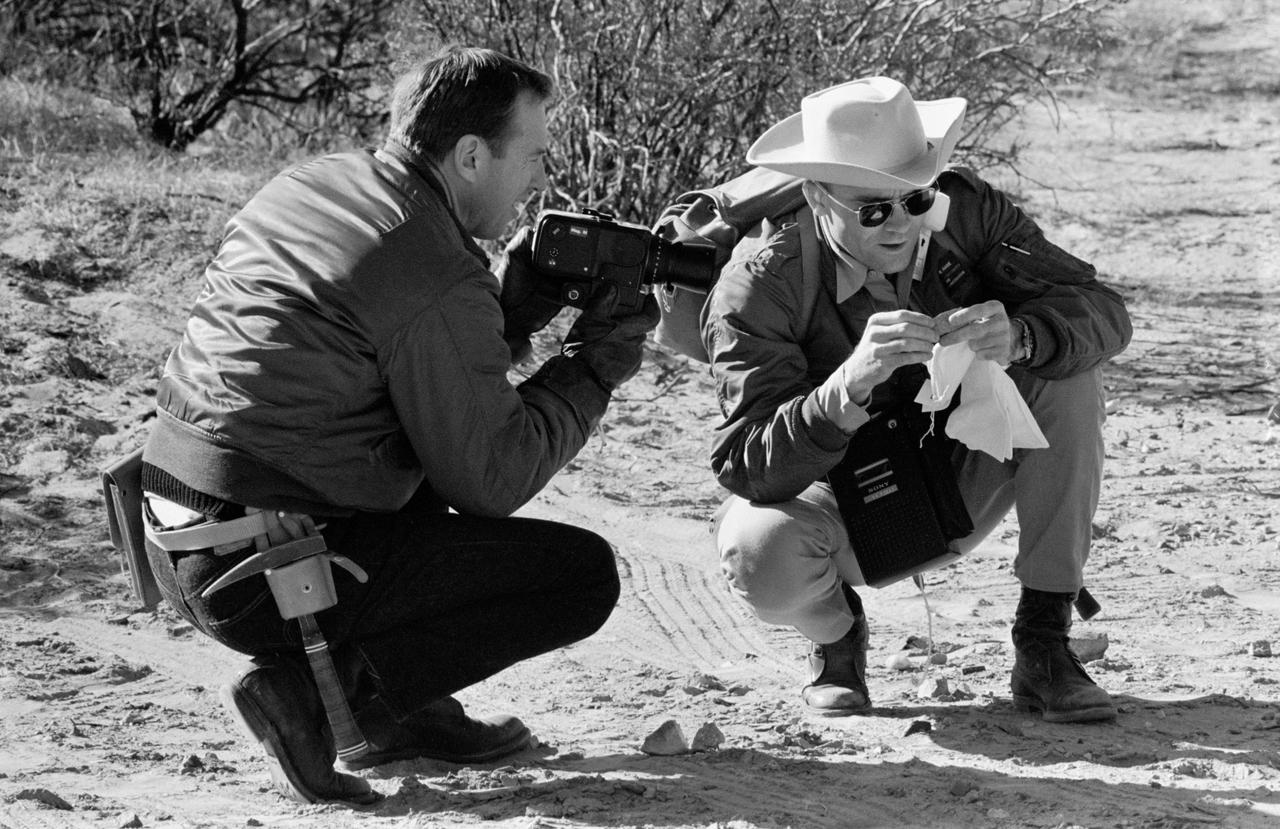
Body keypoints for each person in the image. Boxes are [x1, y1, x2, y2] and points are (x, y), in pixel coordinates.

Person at [139, 45, 659, 805]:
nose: (541, 180)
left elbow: (398, 359)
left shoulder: (316, 183)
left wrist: (510, 309)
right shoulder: (431, 267)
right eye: (535, 156)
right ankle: (320, 699)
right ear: (472, 155)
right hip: (262, 569)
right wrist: (594, 360)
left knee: (422, 455)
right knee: (580, 577)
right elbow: (494, 474)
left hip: (178, 528)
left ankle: (404, 711)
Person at [702, 77, 1132, 722]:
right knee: (759, 549)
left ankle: (1044, 639)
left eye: (914, 199)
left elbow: (1102, 312)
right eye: (871, 209)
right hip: (839, 492)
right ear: (817, 197)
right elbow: (747, 464)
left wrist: (1021, 336)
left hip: (962, 462)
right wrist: (846, 387)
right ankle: (837, 639)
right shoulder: (758, 286)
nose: (900, 223)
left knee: (1066, 372)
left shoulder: (970, 215)